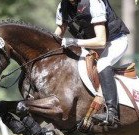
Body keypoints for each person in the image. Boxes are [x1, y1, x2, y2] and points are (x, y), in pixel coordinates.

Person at [54, 0, 130, 128]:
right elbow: (58, 33)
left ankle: (112, 114)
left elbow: (101, 41)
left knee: (103, 63)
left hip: (115, 41)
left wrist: (73, 41)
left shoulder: (94, 2)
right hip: (93, 45)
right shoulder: (63, 6)